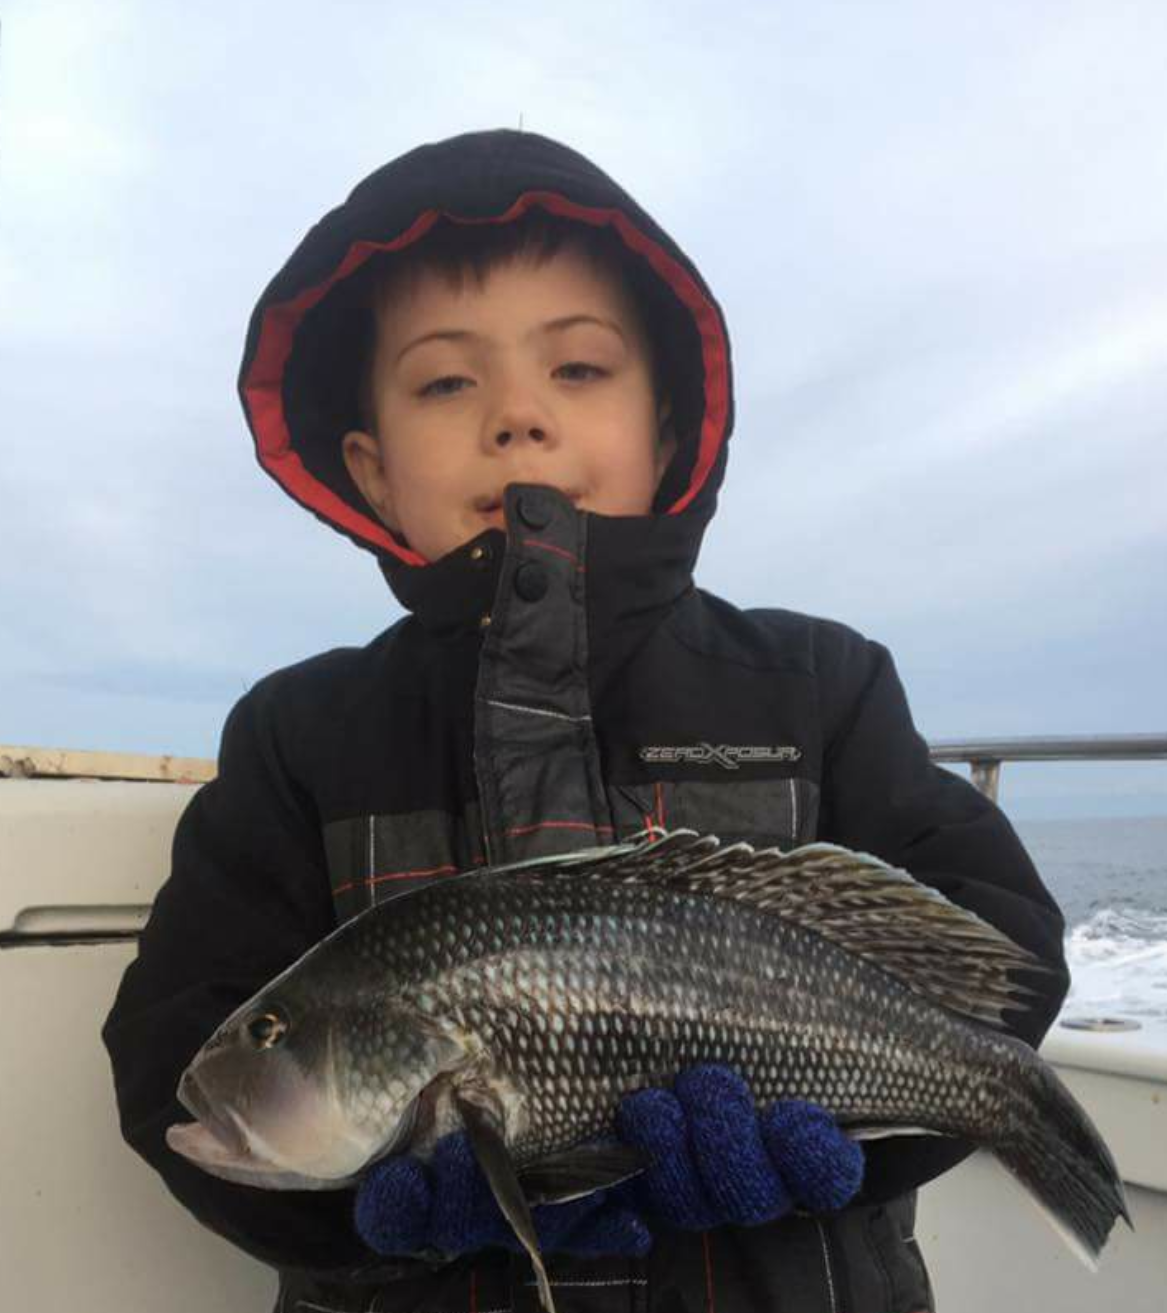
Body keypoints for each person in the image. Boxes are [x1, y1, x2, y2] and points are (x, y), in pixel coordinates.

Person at [102, 128, 1069, 1313]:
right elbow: (172, 1049)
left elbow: (995, 968)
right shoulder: (299, 737)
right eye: (447, 381)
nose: (517, 416)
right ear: (368, 466)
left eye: (580, 369)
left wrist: (856, 1144)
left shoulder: (823, 683)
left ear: (667, 428)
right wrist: (353, 1213)